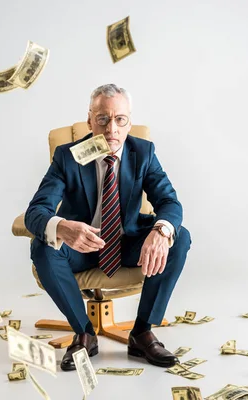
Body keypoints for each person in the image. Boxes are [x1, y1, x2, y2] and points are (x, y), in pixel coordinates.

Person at [25, 83, 191, 371]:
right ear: (90, 120)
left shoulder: (143, 152)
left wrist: (161, 231)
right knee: (42, 247)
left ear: (129, 122)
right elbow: (36, 212)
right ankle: (85, 333)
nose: (111, 129)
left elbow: (169, 202)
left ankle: (141, 332)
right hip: (81, 248)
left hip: (127, 245)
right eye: (102, 119)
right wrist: (63, 227)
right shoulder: (69, 156)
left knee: (180, 236)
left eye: (120, 120)